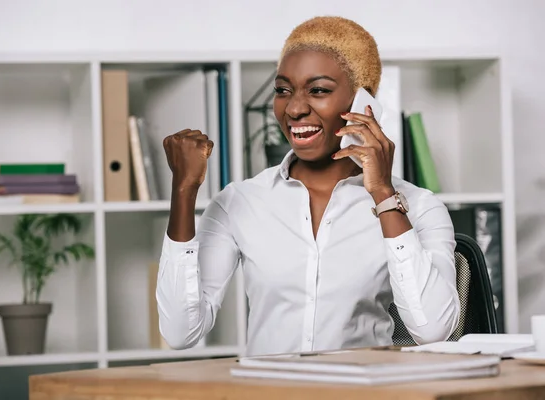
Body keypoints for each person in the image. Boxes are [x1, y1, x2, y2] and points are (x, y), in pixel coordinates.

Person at [156, 16, 460, 356]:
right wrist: (183, 191)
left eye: (318, 90)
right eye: (283, 90)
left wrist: (384, 196)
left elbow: (432, 330)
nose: (295, 108)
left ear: (364, 104)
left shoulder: (418, 206)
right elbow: (180, 333)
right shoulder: (240, 202)